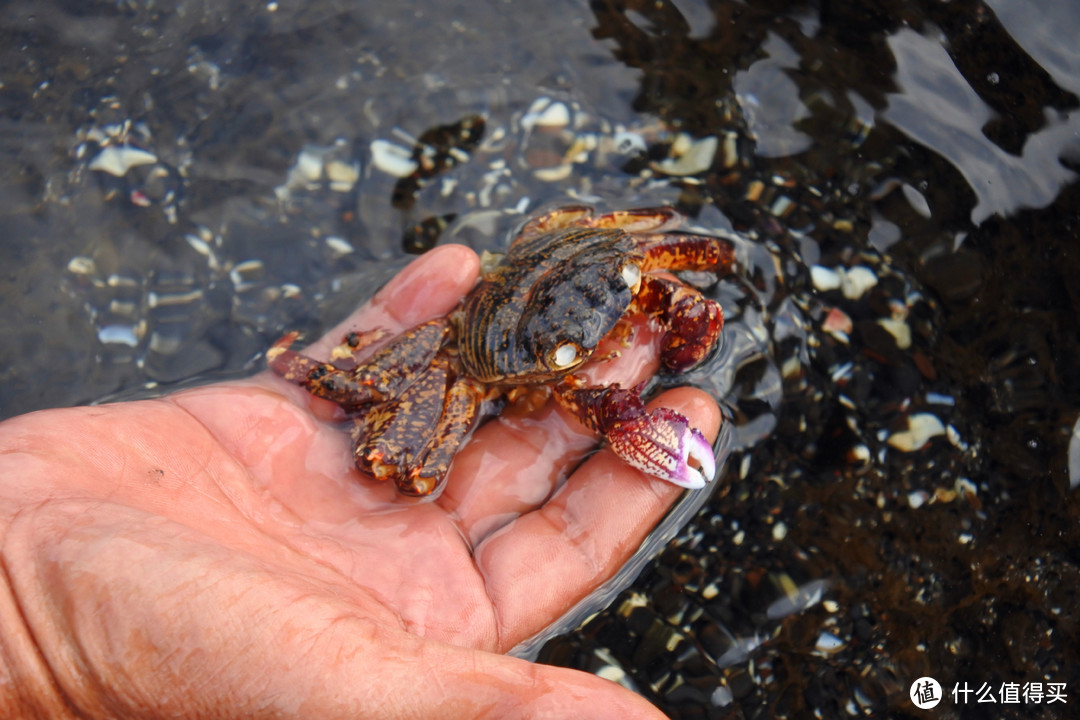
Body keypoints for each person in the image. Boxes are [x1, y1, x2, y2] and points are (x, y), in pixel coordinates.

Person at [0, 244, 720, 719]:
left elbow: (665, 265)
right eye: (573, 354)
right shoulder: (454, 361)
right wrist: (28, 630)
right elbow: (384, 441)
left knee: (655, 290)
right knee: (398, 467)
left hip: (559, 274)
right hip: (469, 358)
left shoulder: (617, 256)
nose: (595, 348)